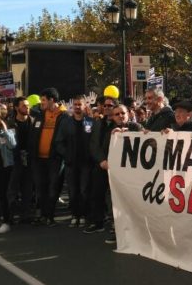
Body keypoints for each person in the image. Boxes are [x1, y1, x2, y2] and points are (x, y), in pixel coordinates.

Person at [86, 103, 141, 242]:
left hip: (131, 174)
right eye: (117, 114)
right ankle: (115, 228)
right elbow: (104, 148)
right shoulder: (110, 129)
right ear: (113, 117)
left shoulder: (137, 127)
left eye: (123, 113)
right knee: (111, 199)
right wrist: (113, 136)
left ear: (128, 114)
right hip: (111, 171)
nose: (120, 116)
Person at [55, 97, 94, 228]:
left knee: (84, 190)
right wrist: (66, 154)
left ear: (84, 106)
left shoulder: (89, 122)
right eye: (75, 104)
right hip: (71, 163)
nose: (77, 107)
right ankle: (74, 215)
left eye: (79, 104)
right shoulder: (66, 122)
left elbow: (93, 140)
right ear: (72, 106)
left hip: (86, 163)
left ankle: (83, 215)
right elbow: (59, 142)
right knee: (72, 191)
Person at [30, 87, 65, 226]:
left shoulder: (64, 116)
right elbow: (33, 135)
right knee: (40, 187)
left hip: (55, 160)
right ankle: (42, 214)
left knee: (53, 188)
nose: (41, 103)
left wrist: (61, 153)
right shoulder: (40, 115)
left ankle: (50, 216)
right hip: (38, 159)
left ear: (52, 100)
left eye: (43, 100)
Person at [6, 96, 34, 223]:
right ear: (17, 108)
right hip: (14, 159)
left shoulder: (33, 122)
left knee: (27, 188)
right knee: (13, 188)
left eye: (28, 106)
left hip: (29, 159)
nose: (27, 108)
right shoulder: (10, 123)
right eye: (24, 106)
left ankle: (26, 215)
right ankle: (11, 215)